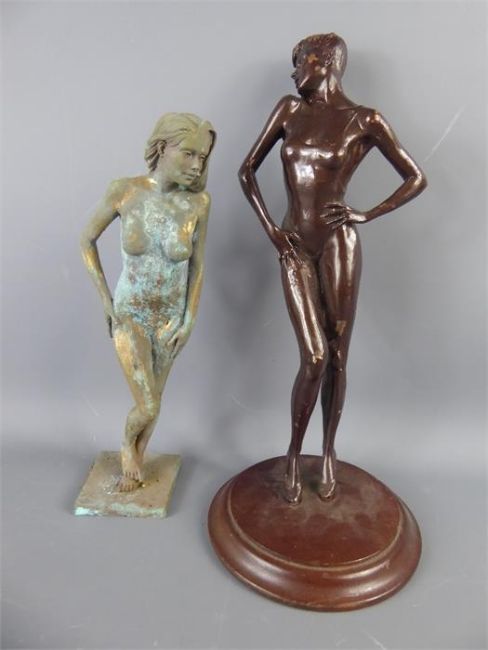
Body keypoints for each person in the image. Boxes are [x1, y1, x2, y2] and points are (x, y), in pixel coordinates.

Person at [239, 33, 427, 503]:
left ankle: (327, 452)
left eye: (298, 61)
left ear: (323, 62)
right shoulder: (288, 110)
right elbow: (246, 171)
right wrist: (272, 230)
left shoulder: (364, 119)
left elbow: (415, 177)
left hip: (339, 244)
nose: (293, 72)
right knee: (314, 356)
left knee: (338, 355)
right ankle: (292, 452)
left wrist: (367, 214)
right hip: (294, 244)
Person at [81, 113, 215, 491]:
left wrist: (189, 319)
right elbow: (86, 240)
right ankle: (127, 448)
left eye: (203, 157)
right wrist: (106, 301)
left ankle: (138, 456)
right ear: (162, 147)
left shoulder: (198, 203)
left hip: (170, 320)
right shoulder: (125, 191)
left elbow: (198, 266)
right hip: (130, 314)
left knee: (155, 398)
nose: (197, 165)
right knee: (148, 404)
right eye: (189, 153)